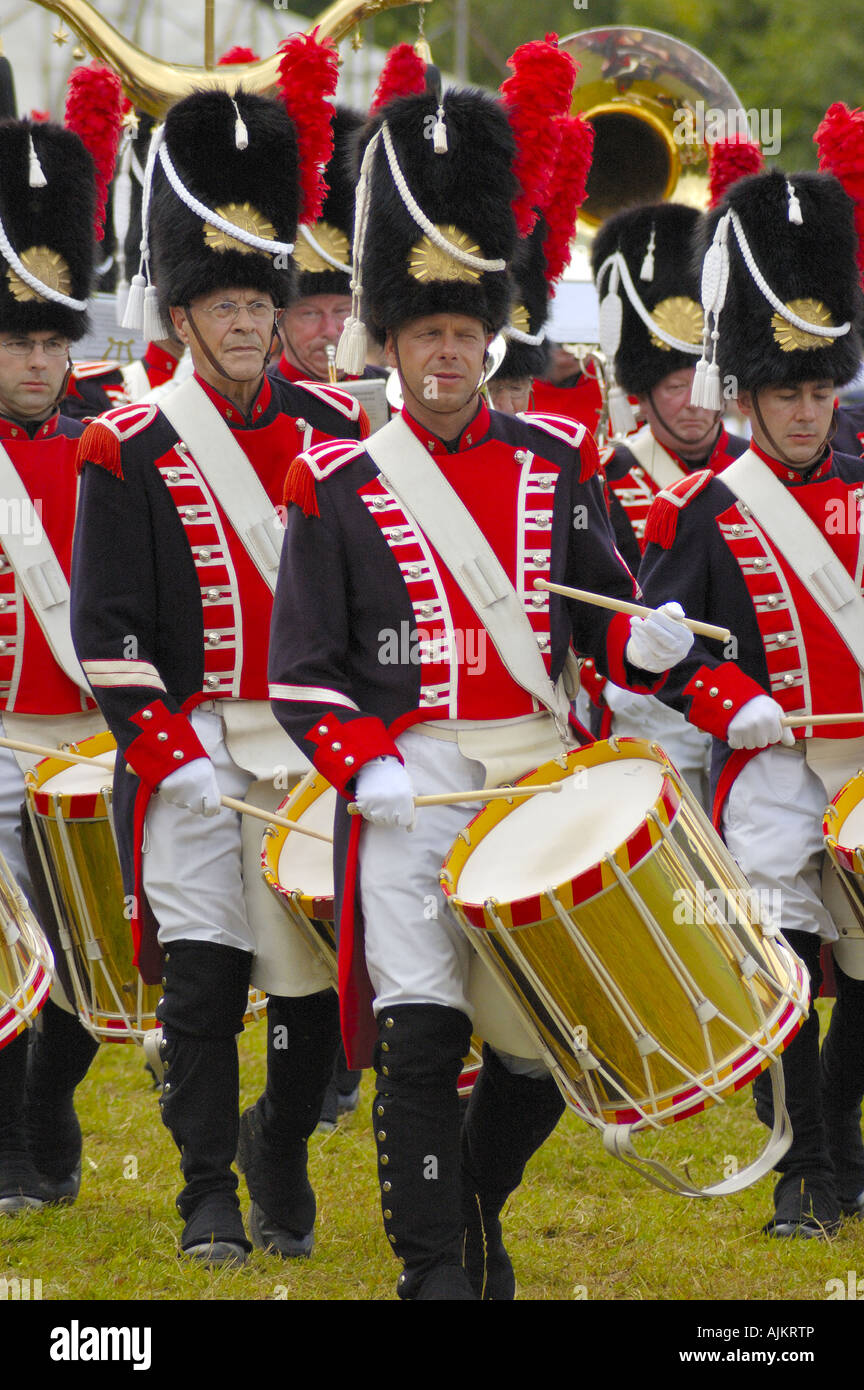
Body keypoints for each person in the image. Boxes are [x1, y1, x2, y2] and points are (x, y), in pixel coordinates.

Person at [269, 69, 696, 1299]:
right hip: (408, 785)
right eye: (425, 335)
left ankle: (472, 1202)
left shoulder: (557, 461)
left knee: (538, 1049)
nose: (447, 354)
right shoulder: (337, 485)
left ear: (490, 336)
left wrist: (644, 648)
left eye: (465, 334)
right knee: (419, 1030)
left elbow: (598, 614)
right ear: (392, 343)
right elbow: (302, 679)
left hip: (533, 776)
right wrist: (371, 762)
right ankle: (435, 1270)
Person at [71, 66, 369, 1266]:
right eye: (225, 306)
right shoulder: (124, 444)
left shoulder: (339, 435)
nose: (249, 325)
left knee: (309, 999)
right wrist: (167, 749)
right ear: (182, 316)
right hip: (191, 750)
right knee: (200, 986)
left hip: (300, 750)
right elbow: (110, 629)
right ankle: (204, 1194)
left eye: (262, 302)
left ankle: (277, 1142)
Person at [638, 167, 864, 1237]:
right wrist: (729, 703)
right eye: (788, 392)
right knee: (779, 960)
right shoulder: (704, 508)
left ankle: (840, 1142)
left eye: (821, 391)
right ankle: (800, 1170)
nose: (809, 410)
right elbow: (662, 657)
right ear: (750, 393)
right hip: (772, 763)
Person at [0, 117, 107, 1214]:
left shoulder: (111, 447)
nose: (37, 362)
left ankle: (47, 1094)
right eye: (16, 342)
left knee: (96, 954)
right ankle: (8, 1140)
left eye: (49, 343)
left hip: (87, 738)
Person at [580, 202, 747, 805]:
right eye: (675, 386)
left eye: (702, 383)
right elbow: (590, 594)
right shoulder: (604, 475)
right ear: (642, 395)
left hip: (746, 701)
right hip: (645, 708)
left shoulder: (756, 472)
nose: (694, 403)